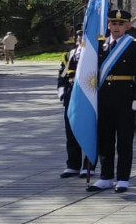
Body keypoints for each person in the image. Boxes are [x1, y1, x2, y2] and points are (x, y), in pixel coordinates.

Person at [85, 10, 136, 193]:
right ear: (108, 25)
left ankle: (122, 178)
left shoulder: (135, 45)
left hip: (125, 97)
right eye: (113, 23)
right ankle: (105, 176)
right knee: (104, 138)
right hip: (104, 98)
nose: (116, 27)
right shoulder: (100, 45)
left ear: (128, 26)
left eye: (121, 24)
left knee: (124, 139)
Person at [57, 31, 89, 178]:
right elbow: (62, 75)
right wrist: (62, 91)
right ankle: (73, 165)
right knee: (71, 130)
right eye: (79, 35)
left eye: (84, 35)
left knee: (88, 130)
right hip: (71, 94)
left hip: (88, 94)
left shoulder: (95, 54)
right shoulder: (69, 55)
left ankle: (88, 166)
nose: (81, 38)